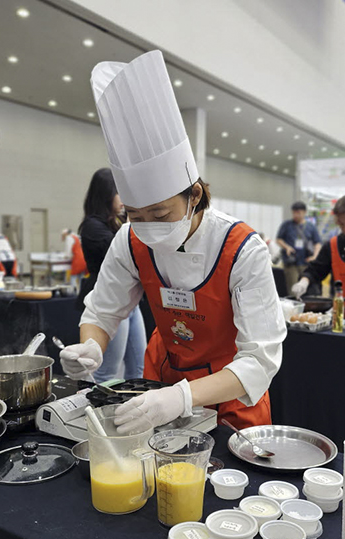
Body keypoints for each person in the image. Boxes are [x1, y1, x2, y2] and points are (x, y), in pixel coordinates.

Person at [60, 50, 286, 431]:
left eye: (160, 215)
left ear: (194, 195)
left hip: (229, 396)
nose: (147, 227)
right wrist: (91, 346)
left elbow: (259, 361)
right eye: (134, 215)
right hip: (158, 385)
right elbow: (102, 311)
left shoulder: (242, 249)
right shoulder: (130, 240)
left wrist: (182, 396)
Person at [68, 168, 147, 382]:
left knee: (139, 366)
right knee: (105, 370)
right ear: (106, 194)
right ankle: (96, 412)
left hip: (131, 301)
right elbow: (122, 253)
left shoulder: (118, 223)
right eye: (119, 193)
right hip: (107, 298)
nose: (124, 200)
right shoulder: (93, 227)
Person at [292, 196, 345, 298]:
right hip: (339, 308)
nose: (343, 229)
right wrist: (304, 281)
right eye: (340, 225)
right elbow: (316, 270)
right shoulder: (333, 245)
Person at [276, 201, 322, 295]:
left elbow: (318, 243)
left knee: (306, 289)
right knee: (292, 288)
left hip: (305, 262)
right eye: (294, 213)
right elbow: (278, 239)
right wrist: (287, 247)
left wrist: (315, 256)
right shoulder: (287, 225)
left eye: (298, 213)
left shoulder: (310, 227)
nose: (296, 215)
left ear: (304, 212)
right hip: (291, 262)